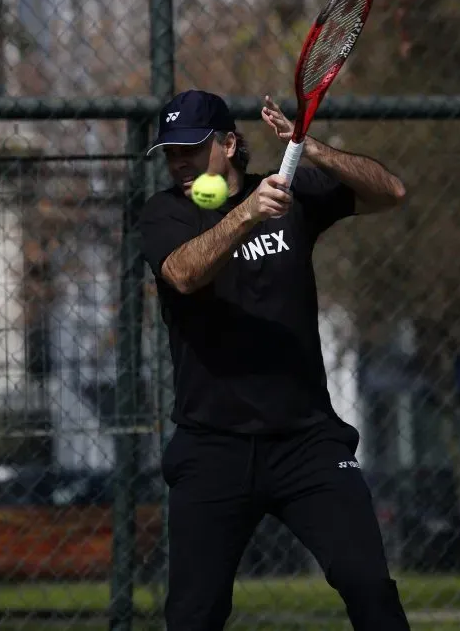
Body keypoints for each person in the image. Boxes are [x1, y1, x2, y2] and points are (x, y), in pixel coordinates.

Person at [137, 89, 411, 631]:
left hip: (306, 443)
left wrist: (312, 150)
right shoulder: (163, 213)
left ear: (229, 145)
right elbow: (183, 275)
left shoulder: (290, 193)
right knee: (193, 616)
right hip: (212, 446)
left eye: (192, 148)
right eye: (171, 152)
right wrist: (246, 216)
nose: (180, 162)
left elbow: (391, 193)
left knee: (370, 588)